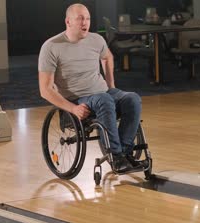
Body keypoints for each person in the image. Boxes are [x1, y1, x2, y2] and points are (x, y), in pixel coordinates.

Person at [38, 3, 142, 173]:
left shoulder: (96, 39)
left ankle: (125, 152)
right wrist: (73, 108)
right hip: (78, 98)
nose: (85, 22)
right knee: (104, 100)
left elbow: (107, 57)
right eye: (80, 19)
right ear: (68, 21)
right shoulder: (51, 47)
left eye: (87, 18)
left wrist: (111, 85)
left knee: (133, 99)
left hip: (103, 92)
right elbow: (45, 90)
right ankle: (116, 156)